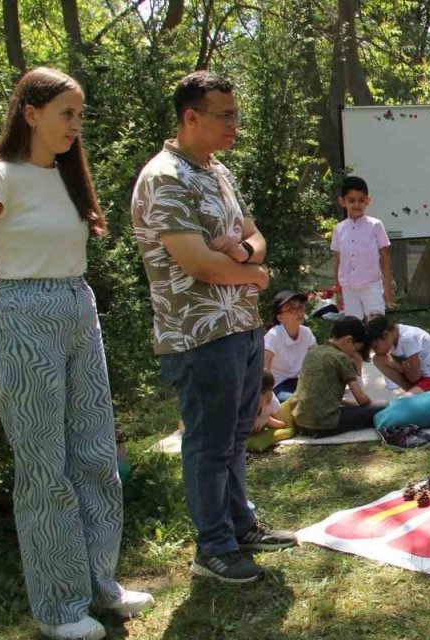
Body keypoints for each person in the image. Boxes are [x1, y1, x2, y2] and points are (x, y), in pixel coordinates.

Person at [0, 67, 153, 640]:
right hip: (24, 315)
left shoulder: (65, 176)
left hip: (77, 307)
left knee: (95, 456)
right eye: (66, 114)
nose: (77, 125)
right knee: (45, 466)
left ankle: (100, 582)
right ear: (31, 112)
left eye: (79, 115)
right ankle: (56, 607)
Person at [132, 70, 295, 585]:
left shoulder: (217, 171)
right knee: (207, 442)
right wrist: (256, 274)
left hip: (240, 326)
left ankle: (240, 527)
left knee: (234, 435)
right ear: (190, 117)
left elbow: (253, 234)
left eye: (236, 114)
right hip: (198, 335)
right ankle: (214, 547)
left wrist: (246, 254)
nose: (235, 125)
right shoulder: (164, 177)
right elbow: (197, 264)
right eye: (225, 116)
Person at [291, 316, 387, 436]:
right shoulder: (341, 357)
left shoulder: (312, 352)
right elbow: (362, 400)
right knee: (383, 406)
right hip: (324, 425)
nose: (353, 355)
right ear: (348, 340)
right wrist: (370, 406)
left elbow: (319, 394)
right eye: (355, 350)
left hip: (300, 423)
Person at [332, 175, 394, 319]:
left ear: (368, 201)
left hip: (372, 285)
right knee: (354, 326)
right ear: (342, 201)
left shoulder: (375, 225)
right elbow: (337, 261)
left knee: (376, 324)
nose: (356, 205)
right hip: (348, 288)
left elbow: (385, 256)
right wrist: (338, 290)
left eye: (361, 200)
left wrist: (387, 288)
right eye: (351, 200)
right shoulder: (339, 229)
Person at [365, 315, 430, 394]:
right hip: (417, 376)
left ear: (385, 334)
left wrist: (406, 370)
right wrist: (405, 369)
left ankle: (414, 395)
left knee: (405, 401)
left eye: (376, 347)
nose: (376, 351)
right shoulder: (392, 336)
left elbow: (414, 377)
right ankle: (412, 392)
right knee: (378, 359)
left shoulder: (408, 339)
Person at [264, 290, 317, 401]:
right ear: (280, 317)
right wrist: (266, 394)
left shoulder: (306, 332)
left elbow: (319, 358)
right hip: (277, 386)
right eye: (292, 309)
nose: (299, 312)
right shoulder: (274, 336)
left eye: (301, 307)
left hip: (298, 381)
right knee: (298, 401)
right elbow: (264, 370)